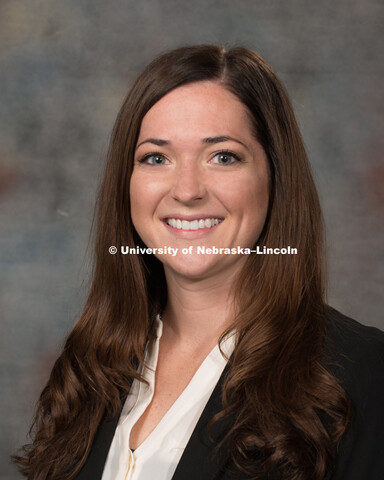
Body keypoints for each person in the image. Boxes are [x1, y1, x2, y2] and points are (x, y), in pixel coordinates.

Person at [12, 45, 384, 480]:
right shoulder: (89, 366)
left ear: (275, 177)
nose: (187, 191)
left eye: (223, 156)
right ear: (127, 184)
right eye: (157, 157)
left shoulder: (360, 373)